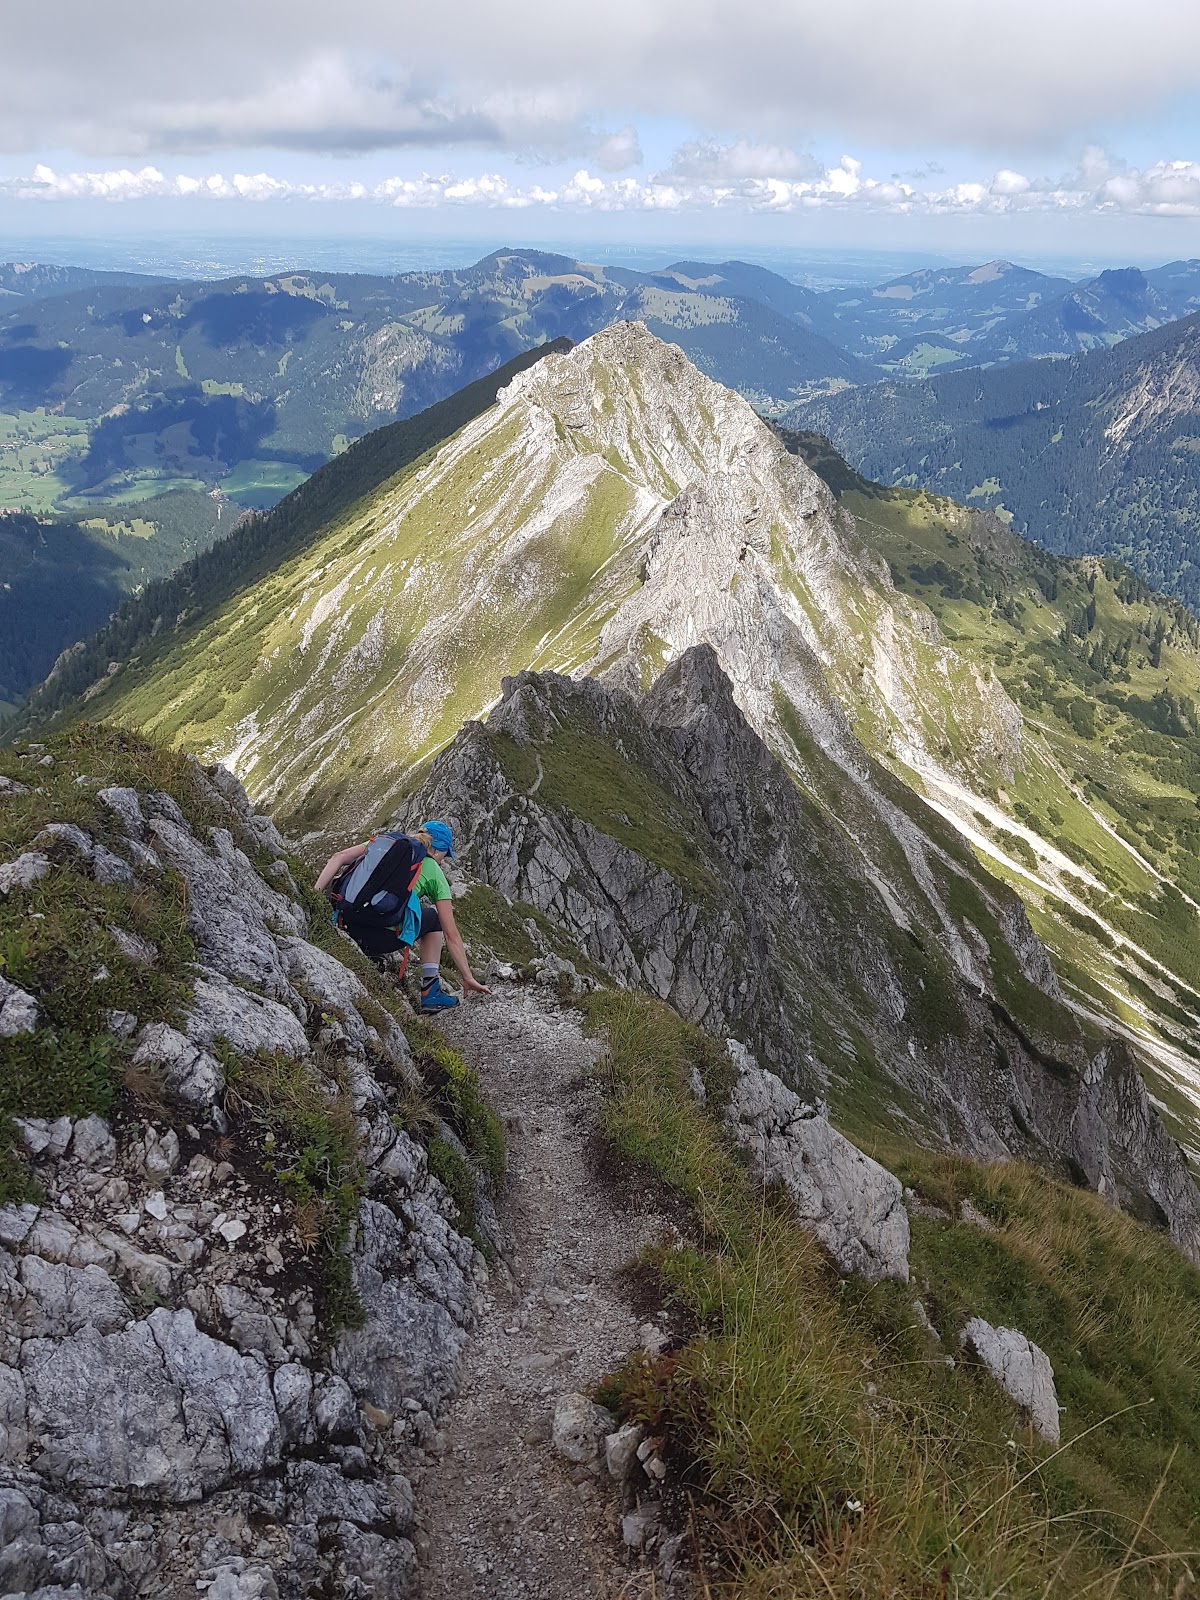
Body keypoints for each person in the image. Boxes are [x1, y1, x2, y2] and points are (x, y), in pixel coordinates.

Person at [315, 819, 490, 1012]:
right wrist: (467, 977)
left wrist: (313, 897)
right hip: (378, 939)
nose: (442, 860)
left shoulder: (386, 844)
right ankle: (430, 992)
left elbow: (338, 857)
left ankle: (370, 953)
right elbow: (451, 934)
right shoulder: (433, 870)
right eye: (445, 855)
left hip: (343, 922)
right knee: (433, 918)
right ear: (438, 850)